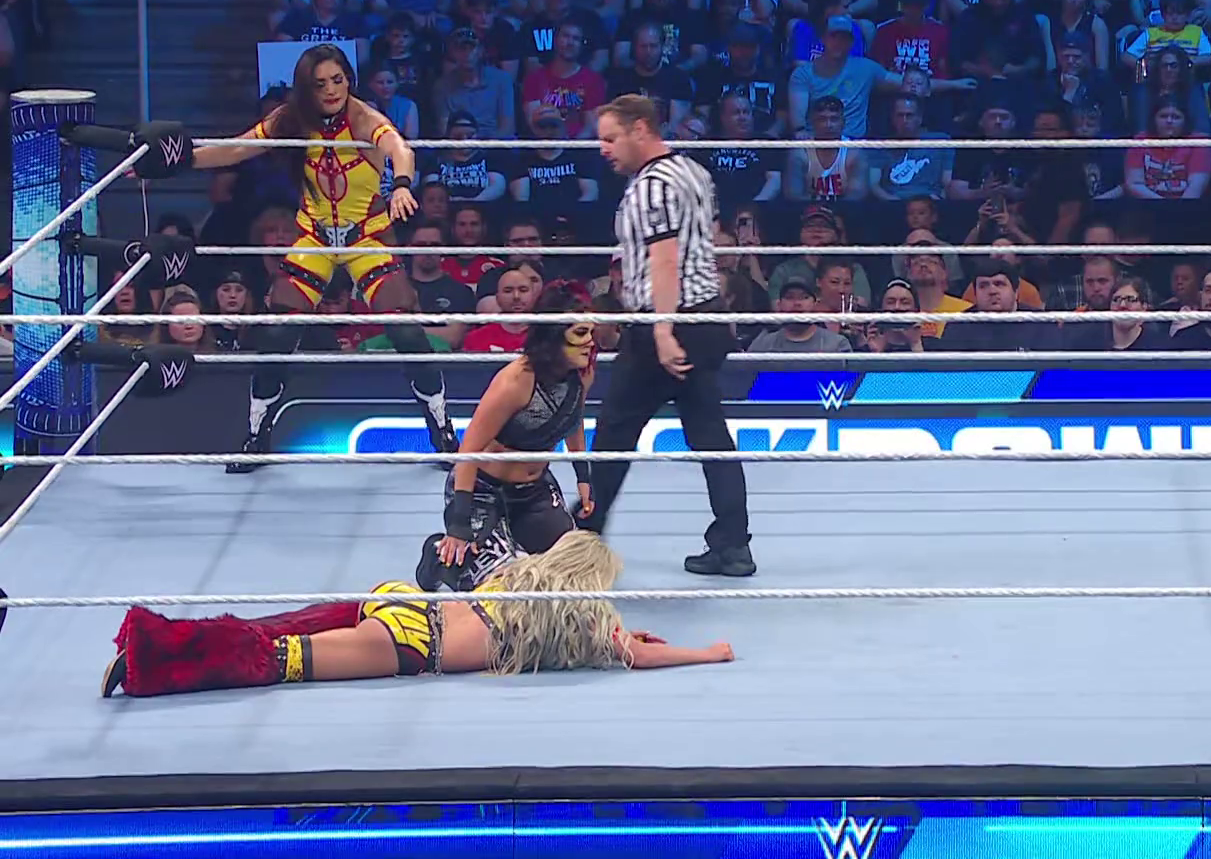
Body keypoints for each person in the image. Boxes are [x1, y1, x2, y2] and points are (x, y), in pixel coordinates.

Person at [186, 44, 457, 469]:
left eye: (338, 80)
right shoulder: (291, 118)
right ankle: (257, 436)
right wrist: (178, 160)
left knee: (406, 331)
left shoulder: (363, 117)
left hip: (365, 235)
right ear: (306, 88)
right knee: (277, 336)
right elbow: (238, 149)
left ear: (349, 80)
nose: (331, 90)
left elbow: (399, 147)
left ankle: (442, 431)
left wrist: (403, 184)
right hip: (314, 236)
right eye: (320, 84)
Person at [101, 531, 735, 698]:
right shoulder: (583, 619)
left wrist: (622, 635)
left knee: (279, 627)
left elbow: (625, 643)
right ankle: (148, 666)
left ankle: (150, 639)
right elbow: (637, 655)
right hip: (413, 647)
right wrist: (708, 653)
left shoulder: (520, 574)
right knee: (276, 660)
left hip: (406, 601)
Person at [578, 93, 754, 577]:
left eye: (611, 138)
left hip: (669, 323)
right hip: (705, 317)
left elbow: (666, 260)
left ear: (640, 129)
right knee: (709, 434)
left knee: (615, 431)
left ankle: (583, 542)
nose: (603, 149)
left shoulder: (652, 187)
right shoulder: (693, 172)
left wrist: (661, 329)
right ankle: (734, 545)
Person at [417, 286, 599, 593]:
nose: (591, 341)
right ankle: (438, 556)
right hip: (483, 489)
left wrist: (583, 478)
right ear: (554, 335)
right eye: (581, 333)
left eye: (592, 332)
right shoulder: (516, 381)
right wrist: (459, 523)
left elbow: (572, 418)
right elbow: (468, 451)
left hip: (534, 491)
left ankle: (512, 539)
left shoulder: (582, 373)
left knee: (571, 570)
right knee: (500, 587)